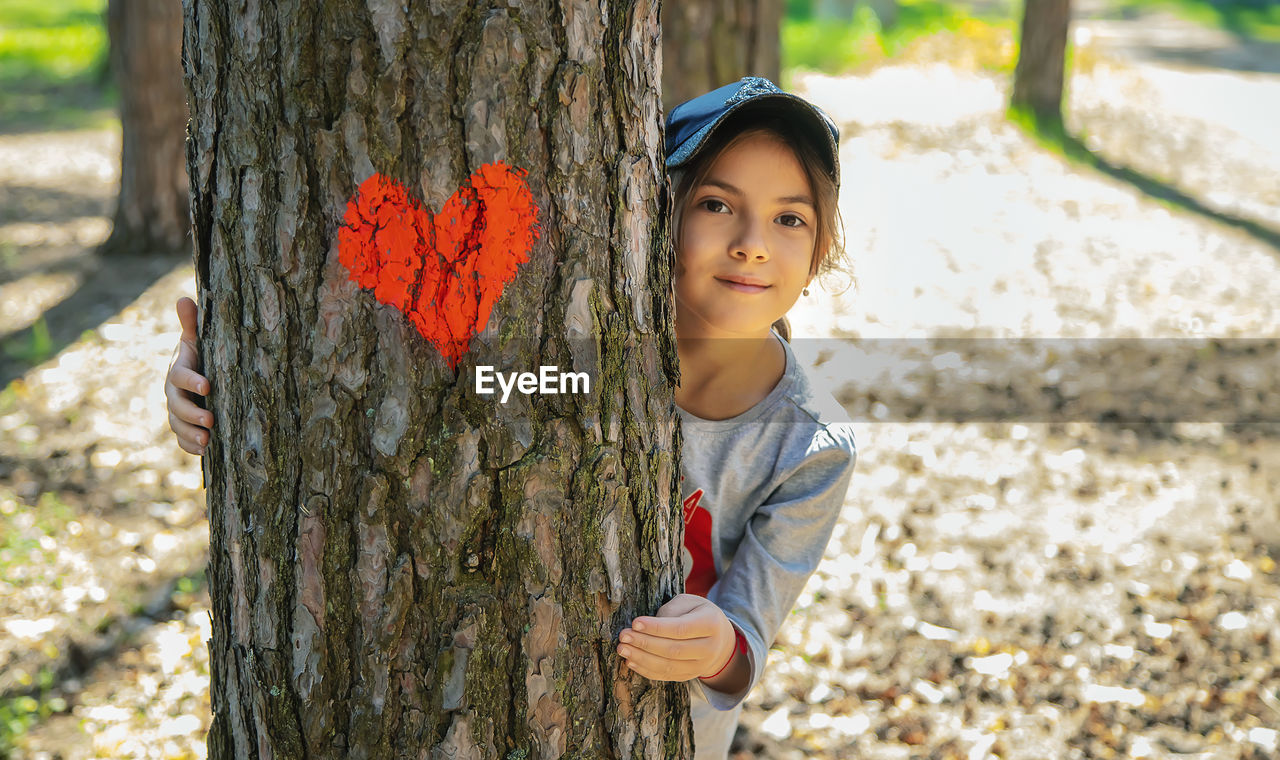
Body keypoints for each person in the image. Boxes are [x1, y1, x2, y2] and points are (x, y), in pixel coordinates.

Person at [165, 75, 858, 760]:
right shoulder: (583, 347)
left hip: (662, 738)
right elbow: (416, 390)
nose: (752, 242)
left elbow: (747, 649)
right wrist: (216, 381)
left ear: (822, 247)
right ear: (654, 215)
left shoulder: (808, 447)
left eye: (789, 217)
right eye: (715, 203)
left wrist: (716, 644)